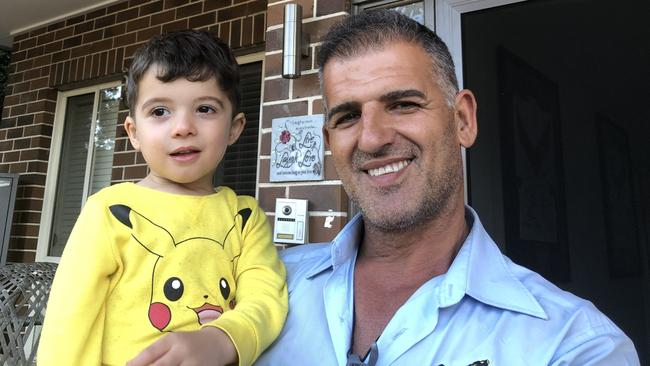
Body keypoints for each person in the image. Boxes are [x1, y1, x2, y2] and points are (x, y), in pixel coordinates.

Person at [256, 10, 639, 366]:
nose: (371, 139)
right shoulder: (266, 286)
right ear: (329, 140)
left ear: (463, 120)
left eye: (403, 104)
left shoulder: (572, 344)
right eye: (348, 116)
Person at [38, 30, 287, 366]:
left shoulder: (244, 217)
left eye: (205, 108)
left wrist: (224, 337)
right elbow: (69, 324)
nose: (183, 127)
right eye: (159, 112)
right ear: (134, 132)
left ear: (234, 127)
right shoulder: (110, 212)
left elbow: (265, 295)